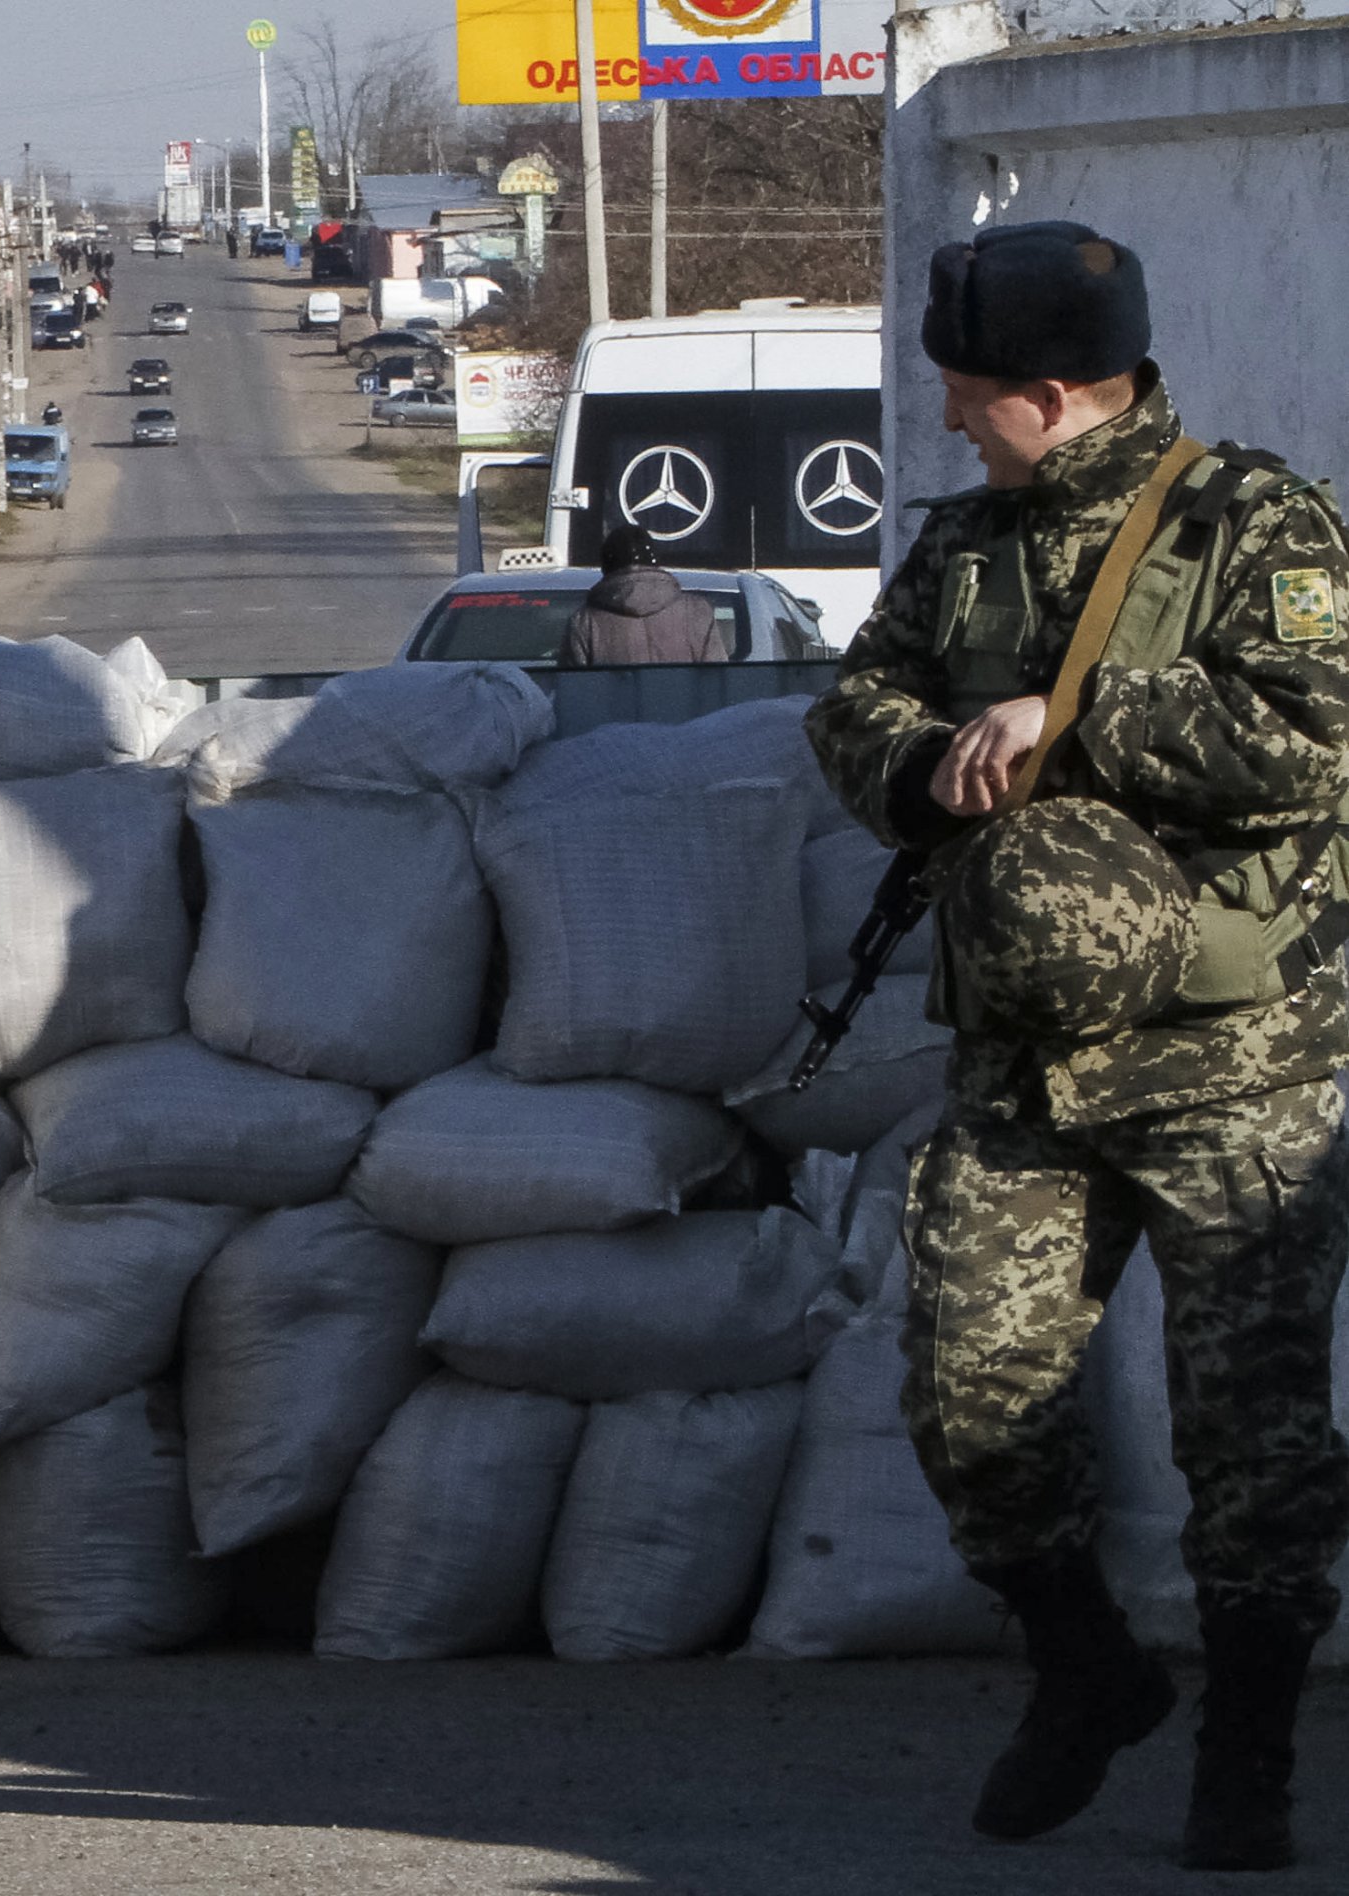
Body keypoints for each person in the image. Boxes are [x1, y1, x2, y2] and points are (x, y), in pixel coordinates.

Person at [807, 222, 1349, 1873]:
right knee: (972, 1393)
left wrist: (1084, 715)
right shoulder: (964, 545)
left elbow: (1317, 738)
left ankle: (1246, 1756)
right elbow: (857, 704)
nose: (954, 423)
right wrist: (921, 764)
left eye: (970, 397)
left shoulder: (1257, 525)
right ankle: (1087, 1670)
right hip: (1025, 1067)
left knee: (1247, 1434)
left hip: (1233, 1061)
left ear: (1047, 392)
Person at [558, 525, 725, 666]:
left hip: (614, 705)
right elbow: (716, 678)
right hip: (686, 704)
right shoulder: (697, 611)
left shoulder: (584, 621)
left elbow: (574, 687)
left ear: (606, 566)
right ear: (655, 561)